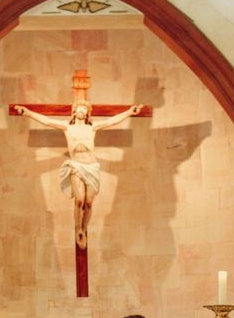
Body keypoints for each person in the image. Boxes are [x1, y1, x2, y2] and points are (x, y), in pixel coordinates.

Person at [15, 102, 143, 249]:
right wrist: (28, 112)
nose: (81, 110)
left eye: (84, 108)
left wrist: (129, 112)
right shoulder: (67, 127)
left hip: (92, 167)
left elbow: (111, 121)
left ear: (88, 113)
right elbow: (47, 121)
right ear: (74, 112)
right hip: (76, 165)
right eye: (79, 108)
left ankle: (84, 226)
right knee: (80, 200)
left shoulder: (92, 128)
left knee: (89, 202)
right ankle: (78, 229)